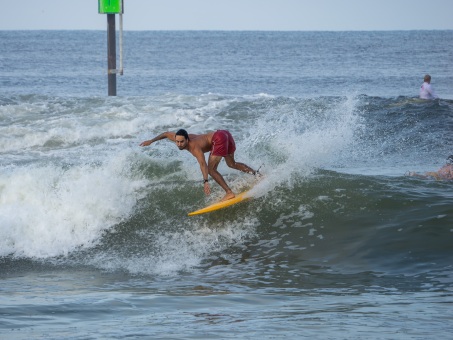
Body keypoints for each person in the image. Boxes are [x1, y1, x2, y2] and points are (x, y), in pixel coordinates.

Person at [140, 129, 257, 201]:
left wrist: (206, 181)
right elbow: (165, 134)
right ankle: (257, 175)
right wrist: (151, 141)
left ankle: (229, 193)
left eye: (182, 142)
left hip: (219, 138)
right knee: (232, 164)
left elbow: (203, 164)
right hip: (224, 134)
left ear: (187, 140)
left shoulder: (194, 147)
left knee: (211, 170)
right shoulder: (178, 137)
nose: (179, 144)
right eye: (177, 141)